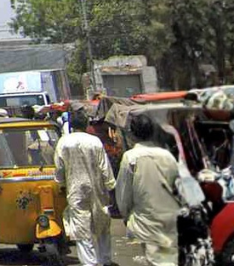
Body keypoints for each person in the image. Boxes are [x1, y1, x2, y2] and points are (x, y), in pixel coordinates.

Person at [116, 114, 180, 266]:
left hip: (146, 219)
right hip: (170, 217)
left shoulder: (131, 157)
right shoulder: (167, 156)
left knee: (155, 259)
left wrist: (125, 214)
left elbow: (124, 193)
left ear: (132, 133)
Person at [56, 109, 116, 266]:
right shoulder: (94, 141)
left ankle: (89, 263)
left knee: (81, 227)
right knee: (102, 223)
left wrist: (61, 183)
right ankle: (105, 259)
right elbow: (105, 167)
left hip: (75, 189)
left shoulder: (63, 142)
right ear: (86, 124)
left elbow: (59, 168)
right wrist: (110, 185)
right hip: (97, 189)